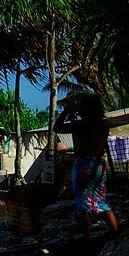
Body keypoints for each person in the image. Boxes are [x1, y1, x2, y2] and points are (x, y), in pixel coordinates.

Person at [53, 93, 119, 238]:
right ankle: (115, 234)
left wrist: (66, 112)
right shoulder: (103, 124)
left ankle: (87, 238)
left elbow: (57, 128)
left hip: (83, 165)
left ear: (86, 108)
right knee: (101, 202)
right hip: (98, 165)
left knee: (82, 204)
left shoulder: (82, 124)